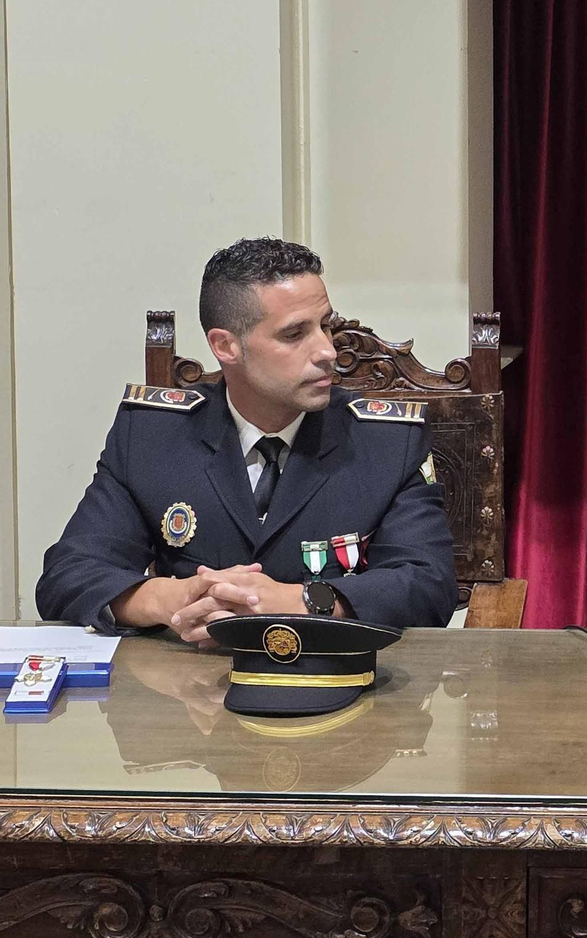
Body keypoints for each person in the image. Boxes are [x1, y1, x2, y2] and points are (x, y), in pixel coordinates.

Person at [37, 237, 456, 641]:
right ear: (226, 346)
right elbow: (69, 573)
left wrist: (300, 600)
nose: (327, 350)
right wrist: (173, 599)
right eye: (295, 334)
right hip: (186, 690)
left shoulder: (386, 442)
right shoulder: (150, 436)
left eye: (325, 326)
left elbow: (428, 585)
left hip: (336, 682)